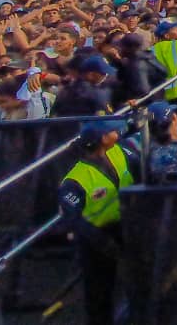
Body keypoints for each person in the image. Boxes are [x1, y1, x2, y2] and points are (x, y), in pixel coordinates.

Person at [58, 119, 138, 324]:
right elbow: (74, 220)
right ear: (103, 139)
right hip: (95, 238)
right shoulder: (74, 181)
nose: (117, 133)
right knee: (98, 293)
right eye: (112, 131)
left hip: (127, 226)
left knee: (137, 281)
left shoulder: (119, 152)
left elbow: (139, 165)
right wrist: (104, 243)